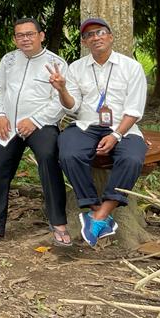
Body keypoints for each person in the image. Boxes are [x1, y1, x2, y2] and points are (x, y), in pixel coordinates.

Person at [47, 17, 148, 248]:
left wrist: (116, 136)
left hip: (124, 127)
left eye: (100, 32)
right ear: (85, 42)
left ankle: (102, 215)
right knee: (69, 152)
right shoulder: (76, 68)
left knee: (132, 158)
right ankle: (94, 207)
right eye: (89, 35)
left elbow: (134, 110)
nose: (96, 37)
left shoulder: (131, 67)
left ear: (110, 37)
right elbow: (71, 107)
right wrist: (62, 89)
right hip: (87, 125)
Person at [0, 18, 70, 248]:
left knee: (48, 158)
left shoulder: (56, 63)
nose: (25, 39)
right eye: (20, 35)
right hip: (9, 124)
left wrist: (35, 120)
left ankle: (59, 223)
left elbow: (61, 101)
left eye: (30, 34)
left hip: (42, 124)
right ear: (15, 38)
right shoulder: (8, 60)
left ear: (41, 36)